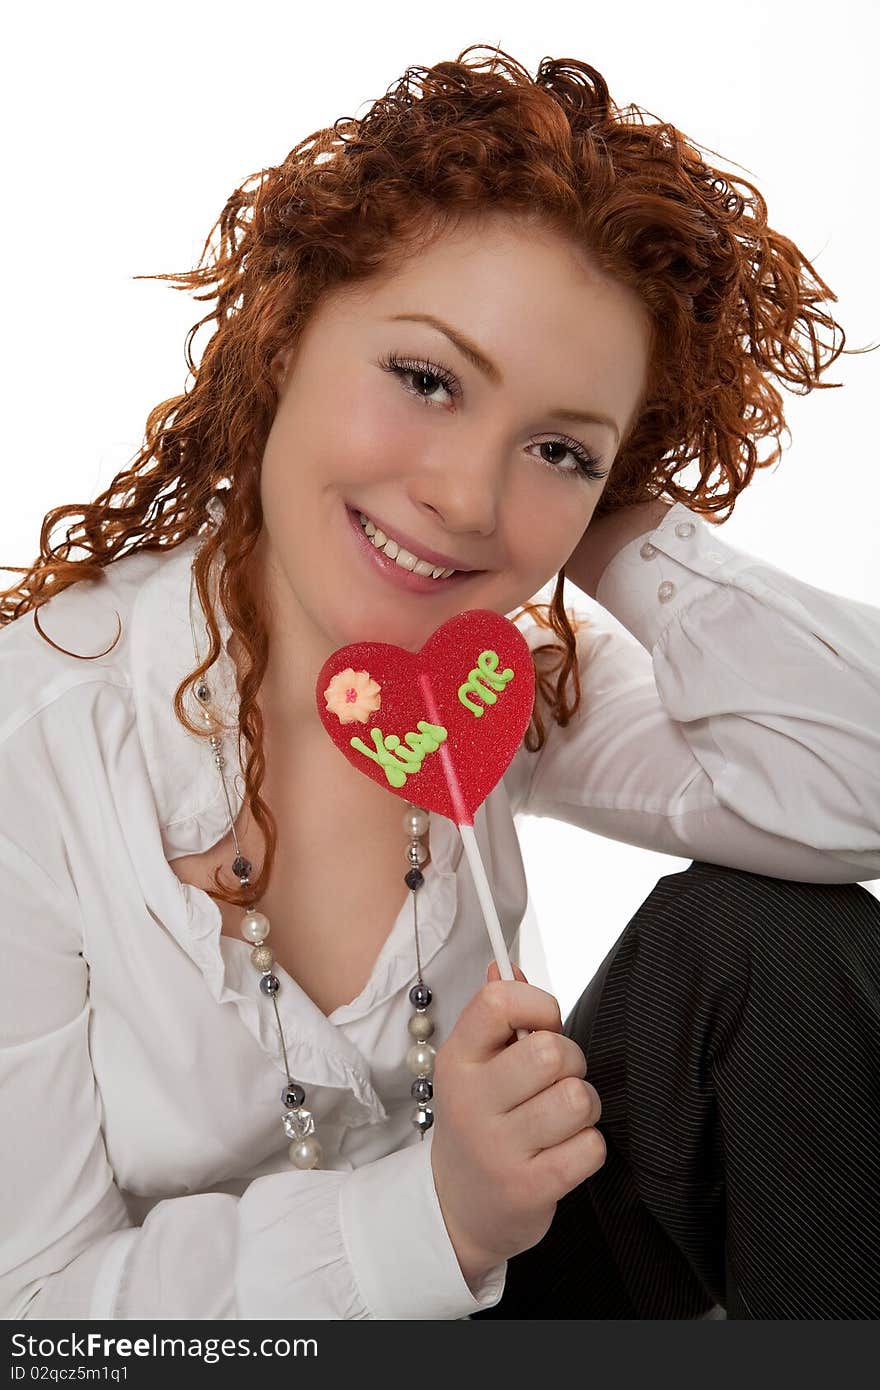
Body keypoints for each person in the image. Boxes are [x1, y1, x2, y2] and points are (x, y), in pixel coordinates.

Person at [1, 44, 878, 1321]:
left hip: (512, 1301)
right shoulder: (37, 742)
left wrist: (616, 516)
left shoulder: (494, 682)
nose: (467, 500)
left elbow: (854, 791)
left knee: (771, 942)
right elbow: (31, 1308)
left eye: (553, 448)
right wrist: (437, 1214)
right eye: (426, 379)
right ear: (285, 332)